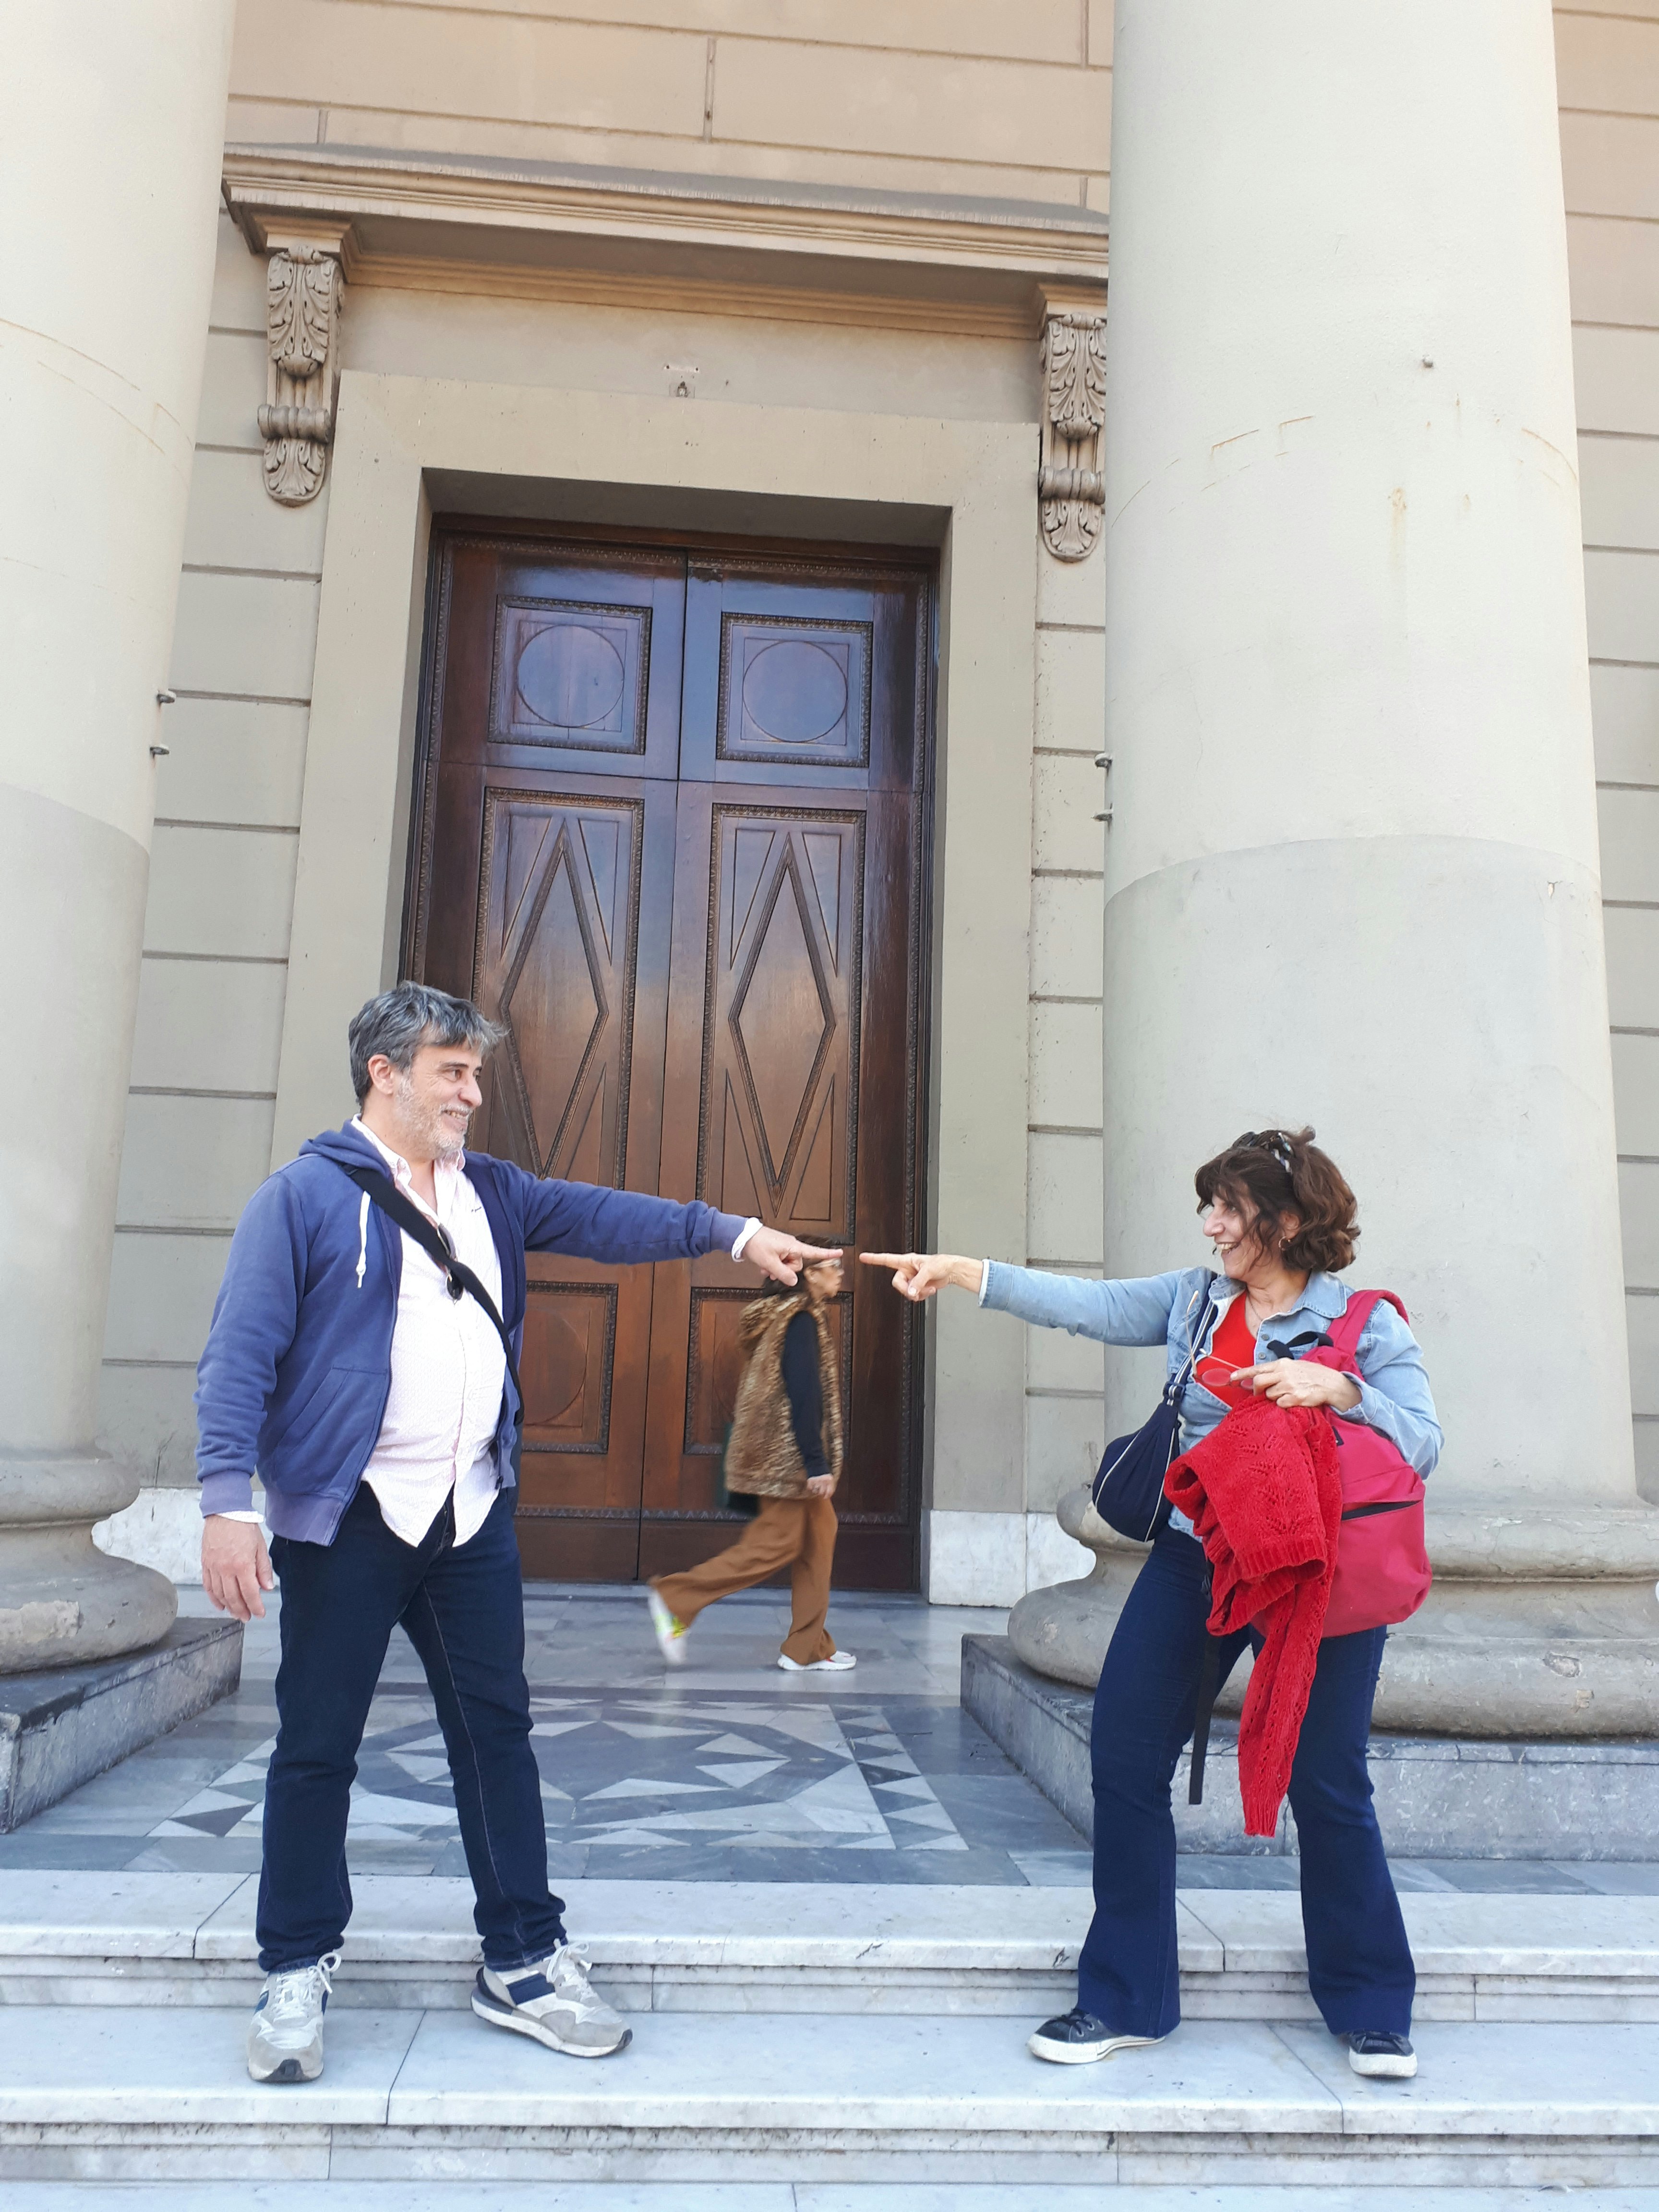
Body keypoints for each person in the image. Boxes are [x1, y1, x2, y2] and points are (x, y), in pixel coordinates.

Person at [196, 982, 826, 2085]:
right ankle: (295, 1962)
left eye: (474, 1073)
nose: (472, 1092)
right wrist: (223, 1502)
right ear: (383, 1073)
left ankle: (523, 1958)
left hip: (470, 1513)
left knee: (497, 1736)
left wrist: (734, 1234)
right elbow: (239, 1353)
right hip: (346, 1518)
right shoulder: (298, 1198)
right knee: (315, 1747)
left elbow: (608, 1217)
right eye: (451, 1071)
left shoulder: (492, 1190)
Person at [864, 1127, 1441, 2081]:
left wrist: (1340, 1389)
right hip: (1194, 1561)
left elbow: (1422, 1441)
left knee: (1327, 1784)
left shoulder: (1366, 1324)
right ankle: (1129, 1999)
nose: (1212, 1225)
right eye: (1210, 1205)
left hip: (1313, 1579)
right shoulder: (1193, 1300)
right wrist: (963, 1270)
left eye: (1231, 1209)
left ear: (1287, 1221)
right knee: (1127, 1759)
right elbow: (1086, 1305)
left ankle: (1372, 2006)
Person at [646, 1245, 854, 1673]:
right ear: (809, 1276)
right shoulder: (798, 1321)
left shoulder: (783, 1317)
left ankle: (807, 1646)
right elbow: (803, 1395)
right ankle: (676, 1599)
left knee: (820, 1534)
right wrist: (815, 1463)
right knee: (773, 1546)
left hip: (780, 1455)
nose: (840, 1275)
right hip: (786, 1460)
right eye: (833, 1268)